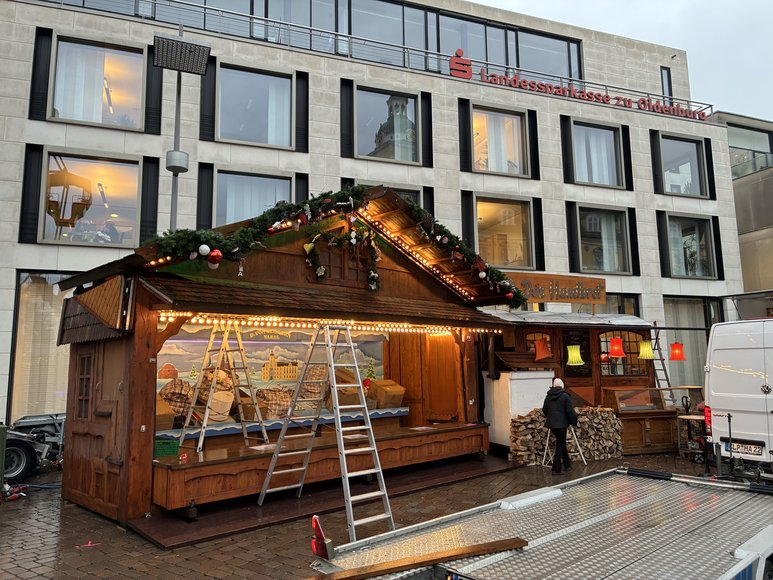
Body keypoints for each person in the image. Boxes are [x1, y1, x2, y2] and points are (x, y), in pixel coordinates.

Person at [542, 377, 578, 474]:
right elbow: (570, 411)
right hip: (562, 424)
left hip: (552, 424)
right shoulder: (565, 396)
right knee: (560, 444)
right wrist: (574, 421)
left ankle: (567, 465)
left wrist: (550, 417)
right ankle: (556, 469)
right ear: (562, 386)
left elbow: (545, 409)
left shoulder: (548, 396)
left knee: (561, 443)